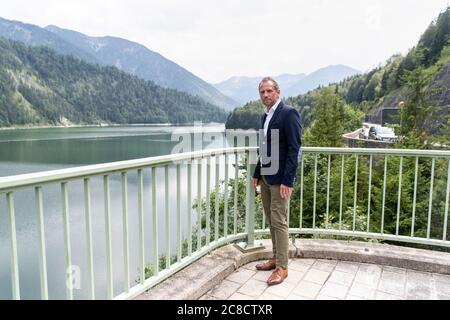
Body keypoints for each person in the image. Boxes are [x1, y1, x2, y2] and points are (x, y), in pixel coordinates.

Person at [252, 77, 302, 286]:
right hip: (266, 176)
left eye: (269, 91)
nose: (266, 95)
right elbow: (265, 148)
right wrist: (256, 172)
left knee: (279, 221)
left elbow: (294, 148)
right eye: (262, 92)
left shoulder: (288, 113)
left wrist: (288, 181)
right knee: (271, 220)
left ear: (278, 92)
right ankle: (275, 258)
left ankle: (282, 267)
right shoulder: (265, 116)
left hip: (280, 179)